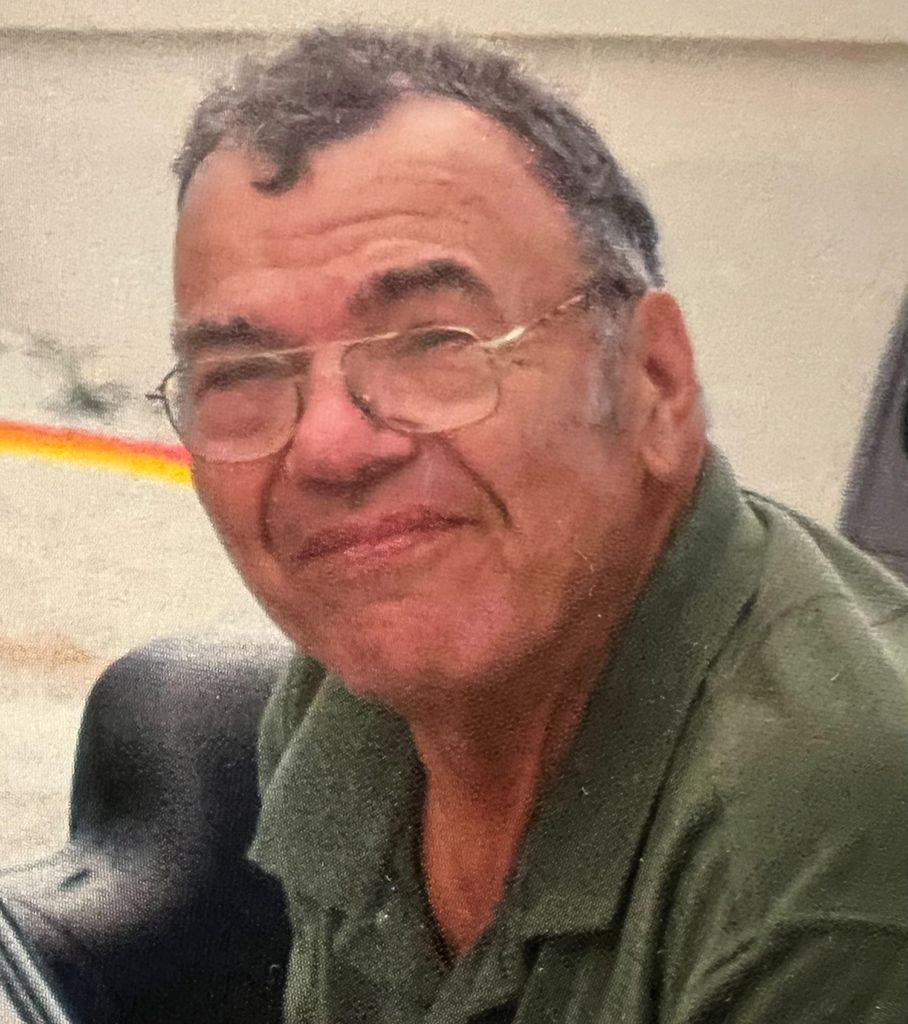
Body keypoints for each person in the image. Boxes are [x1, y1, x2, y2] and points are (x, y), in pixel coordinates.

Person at [151, 26, 908, 1022]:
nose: (330, 447)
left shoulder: (826, 844)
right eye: (240, 374)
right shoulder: (346, 701)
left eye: (434, 341)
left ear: (654, 382)